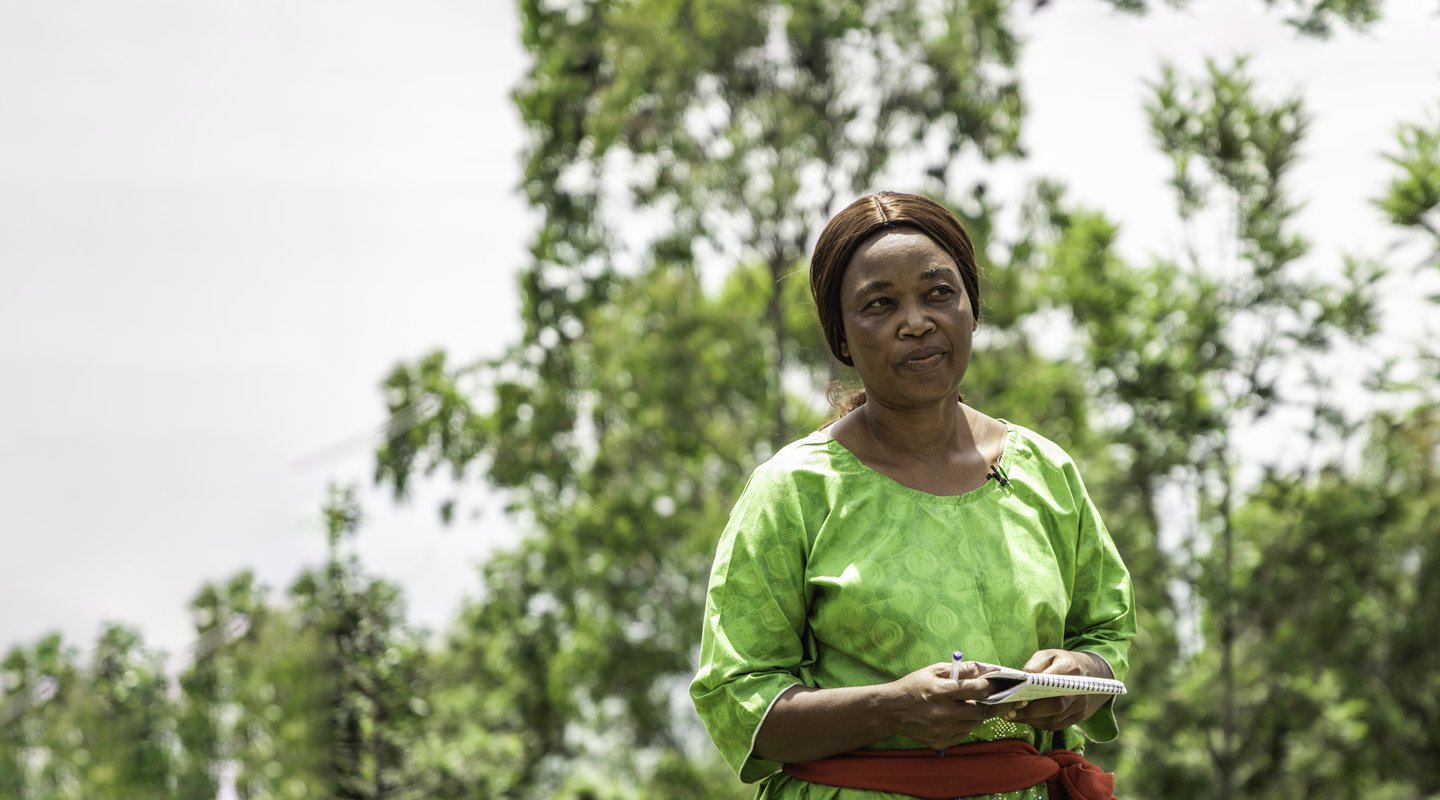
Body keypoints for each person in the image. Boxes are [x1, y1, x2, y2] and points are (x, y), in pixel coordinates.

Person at [689, 192, 1136, 800]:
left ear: (971, 309)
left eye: (938, 293)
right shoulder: (795, 491)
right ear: (842, 339)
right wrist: (892, 708)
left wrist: (1081, 675)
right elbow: (740, 703)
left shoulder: (1043, 472)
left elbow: (1104, 630)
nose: (916, 321)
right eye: (879, 304)